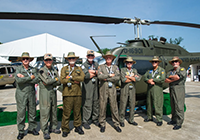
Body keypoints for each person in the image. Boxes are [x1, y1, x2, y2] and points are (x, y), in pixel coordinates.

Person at [15, 52, 39, 140]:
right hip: (21, 94)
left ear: (29, 60)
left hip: (31, 93)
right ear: (21, 60)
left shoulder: (33, 69)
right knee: (21, 113)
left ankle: (32, 128)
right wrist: (29, 78)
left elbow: (36, 80)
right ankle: (21, 131)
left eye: (27, 59)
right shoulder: (18, 69)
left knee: (32, 111)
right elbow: (18, 81)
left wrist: (24, 77)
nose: (25, 60)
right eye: (23, 59)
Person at [60, 52, 85, 137]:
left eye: (73, 58)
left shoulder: (79, 68)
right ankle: (65, 129)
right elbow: (62, 80)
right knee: (66, 113)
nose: (71, 60)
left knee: (77, 112)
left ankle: (78, 126)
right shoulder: (64, 69)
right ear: (67, 59)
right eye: (70, 58)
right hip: (67, 94)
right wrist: (75, 81)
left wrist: (71, 78)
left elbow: (82, 78)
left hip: (77, 93)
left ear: (75, 59)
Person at [97, 51, 121, 133]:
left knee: (114, 106)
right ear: (105, 58)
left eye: (110, 57)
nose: (108, 58)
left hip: (112, 89)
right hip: (103, 89)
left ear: (112, 59)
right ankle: (102, 124)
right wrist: (109, 75)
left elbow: (117, 77)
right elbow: (99, 76)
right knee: (102, 106)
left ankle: (116, 124)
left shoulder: (115, 67)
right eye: (107, 57)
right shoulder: (101, 67)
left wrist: (106, 78)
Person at [38, 53, 61, 139]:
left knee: (53, 109)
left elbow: (59, 81)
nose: (48, 61)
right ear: (44, 61)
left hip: (52, 91)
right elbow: (46, 82)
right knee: (45, 111)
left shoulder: (54, 70)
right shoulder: (42, 70)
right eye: (46, 60)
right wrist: (54, 79)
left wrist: (53, 80)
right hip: (45, 92)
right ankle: (45, 130)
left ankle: (53, 127)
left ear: (52, 61)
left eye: (50, 60)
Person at [165, 56, 186, 130]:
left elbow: (178, 77)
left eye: (176, 61)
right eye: (173, 62)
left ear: (179, 62)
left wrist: (171, 78)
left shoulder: (182, 69)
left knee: (179, 106)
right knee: (173, 105)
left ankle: (179, 122)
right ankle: (173, 119)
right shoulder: (170, 71)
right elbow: (166, 80)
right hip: (172, 89)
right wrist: (172, 78)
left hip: (179, 89)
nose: (174, 63)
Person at [143, 56, 166, 126]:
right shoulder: (149, 71)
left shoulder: (161, 70)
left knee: (157, 103)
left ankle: (159, 119)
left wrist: (153, 80)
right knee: (149, 103)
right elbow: (144, 77)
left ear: (158, 63)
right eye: (153, 62)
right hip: (150, 88)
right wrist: (148, 81)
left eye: (155, 62)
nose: (154, 63)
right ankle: (149, 117)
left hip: (157, 89)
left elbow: (162, 79)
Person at [119, 56, 141, 127]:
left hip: (132, 89)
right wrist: (133, 78)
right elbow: (123, 80)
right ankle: (121, 120)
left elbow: (138, 79)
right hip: (124, 89)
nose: (129, 64)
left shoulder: (134, 70)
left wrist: (128, 77)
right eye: (128, 62)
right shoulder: (123, 70)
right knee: (123, 104)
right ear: (125, 63)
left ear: (132, 63)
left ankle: (131, 119)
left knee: (132, 104)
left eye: (130, 62)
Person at [82, 50, 99, 129]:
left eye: (92, 56)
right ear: (86, 56)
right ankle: (85, 120)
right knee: (87, 103)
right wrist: (93, 73)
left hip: (95, 85)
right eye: (89, 56)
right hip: (87, 86)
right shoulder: (84, 65)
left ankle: (95, 119)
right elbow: (86, 75)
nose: (90, 57)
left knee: (96, 102)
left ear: (94, 57)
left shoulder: (96, 64)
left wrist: (92, 72)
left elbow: (99, 73)